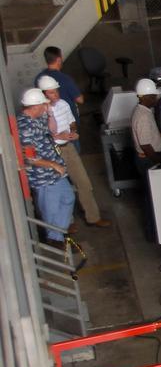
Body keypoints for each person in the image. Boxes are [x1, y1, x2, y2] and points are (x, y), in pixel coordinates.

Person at [38, 75, 109, 229]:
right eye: (51, 93)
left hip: (68, 147)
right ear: (43, 94)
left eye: (56, 91)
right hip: (52, 153)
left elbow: (71, 121)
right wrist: (57, 136)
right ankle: (67, 223)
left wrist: (73, 132)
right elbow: (42, 136)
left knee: (83, 182)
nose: (56, 94)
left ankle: (93, 217)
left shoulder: (63, 104)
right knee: (61, 189)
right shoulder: (41, 112)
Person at [16, 89, 74, 244]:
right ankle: (56, 240)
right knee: (51, 211)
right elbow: (30, 157)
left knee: (69, 198)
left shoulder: (38, 118)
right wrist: (53, 164)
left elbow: (51, 130)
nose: (46, 106)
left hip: (56, 173)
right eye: (44, 104)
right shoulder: (25, 127)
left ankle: (58, 235)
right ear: (35, 106)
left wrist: (50, 114)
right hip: (44, 178)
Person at [130, 79, 161, 241]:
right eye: (153, 96)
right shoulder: (143, 117)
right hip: (148, 161)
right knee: (152, 199)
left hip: (148, 159)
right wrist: (159, 162)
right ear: (144, 97)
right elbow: (146, 145)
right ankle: (153, 233)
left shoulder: (145, 111)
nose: (155, 99)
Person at [37, 47, 84, 126]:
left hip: (49, 119)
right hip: (68, 120)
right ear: (59, 60)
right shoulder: (65, 79)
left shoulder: (39, 78)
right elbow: (80, 100)